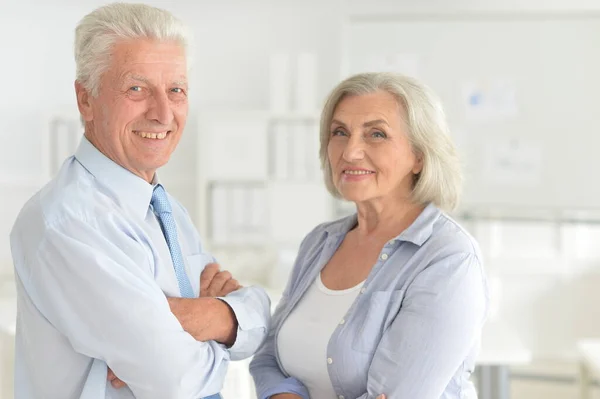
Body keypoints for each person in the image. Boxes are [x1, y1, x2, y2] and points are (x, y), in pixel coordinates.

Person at [9, 3, 270, 399]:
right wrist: (222, 330)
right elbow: (177, 381)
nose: (163, 113)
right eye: (137, 89)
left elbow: (260, 322)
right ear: (86, 100)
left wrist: (217, 314)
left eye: (176, 90)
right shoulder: (66, 222)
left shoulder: (165, 210)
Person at [250, 72, 489, 399]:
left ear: (419, 155)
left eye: (376, 134)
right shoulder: (320, 242)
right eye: (339, 132)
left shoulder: (449, 258)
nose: (350, 152)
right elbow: (268, 357)